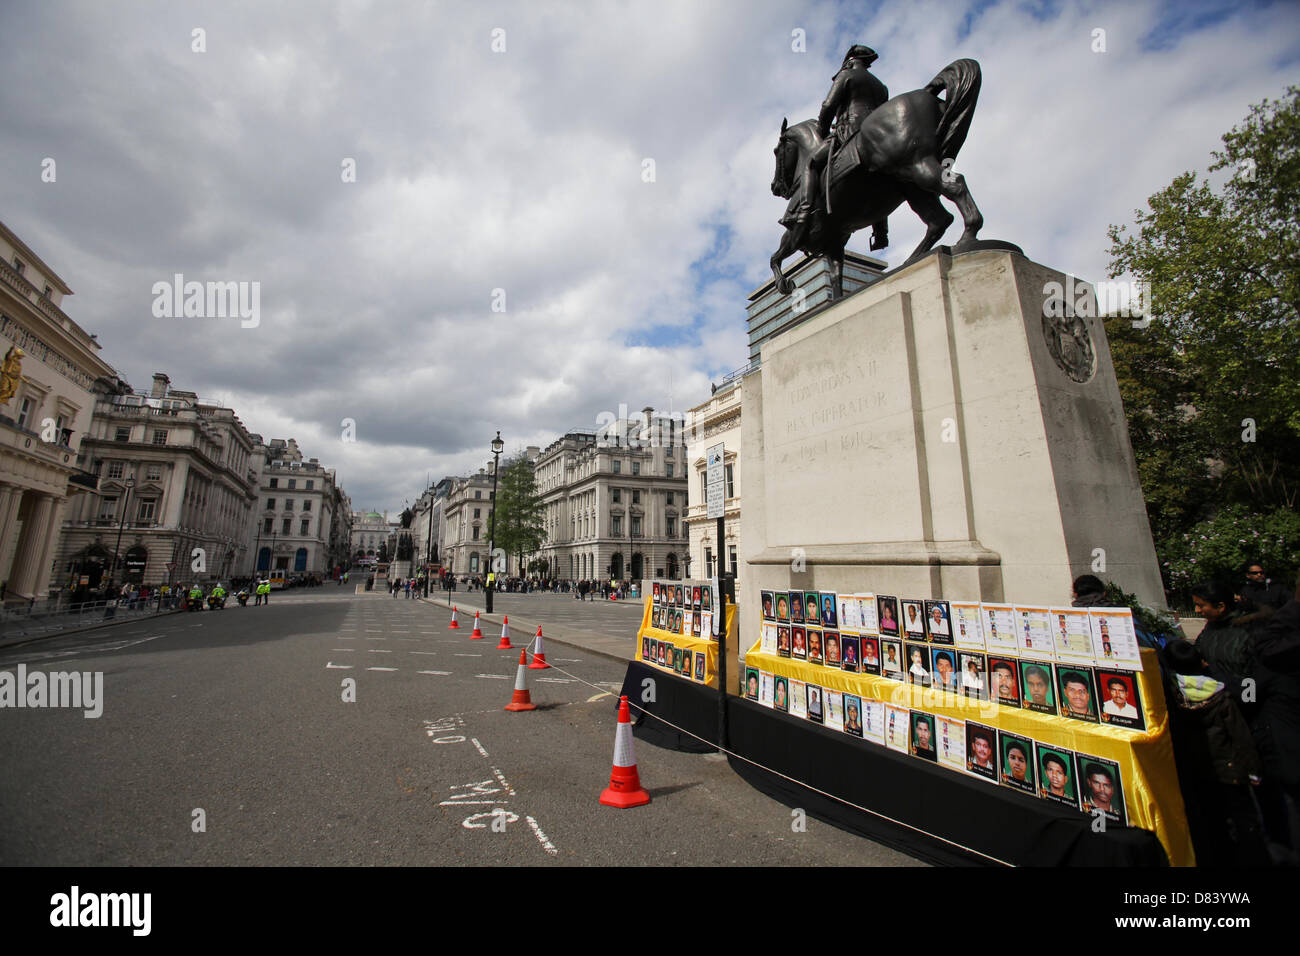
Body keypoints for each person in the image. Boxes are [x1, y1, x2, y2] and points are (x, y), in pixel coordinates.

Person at [783, 44, 890, 249]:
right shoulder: (881, 86)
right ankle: (880, 233)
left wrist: (822, 131)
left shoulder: (846, 76)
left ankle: (803, 212)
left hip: (849, 131)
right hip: (880, 135)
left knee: (812, 163)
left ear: (849, 61)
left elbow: (828, 106)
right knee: (883, 174)